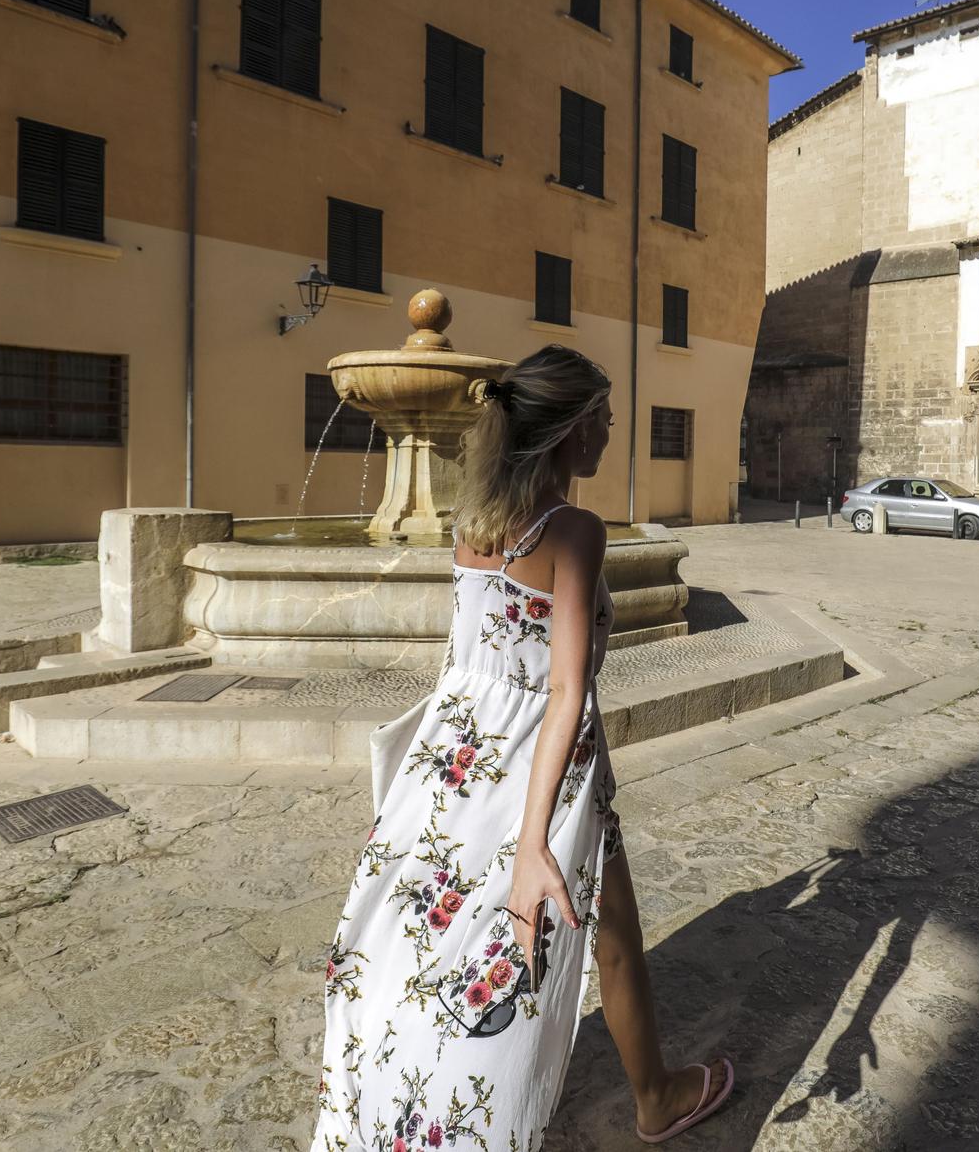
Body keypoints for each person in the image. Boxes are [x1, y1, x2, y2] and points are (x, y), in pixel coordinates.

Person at [310, 345, 733, 1151]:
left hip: (462, 757)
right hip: (548, 764)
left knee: (446, 941)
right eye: (604, 420)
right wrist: (534, 840)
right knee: (580, 934)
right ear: (573, 430)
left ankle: (647, 1091)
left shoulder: (474, 527)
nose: (610, 435)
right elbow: (566, 686)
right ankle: (650, 1098)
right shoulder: (573, 530)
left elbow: (470, 660)